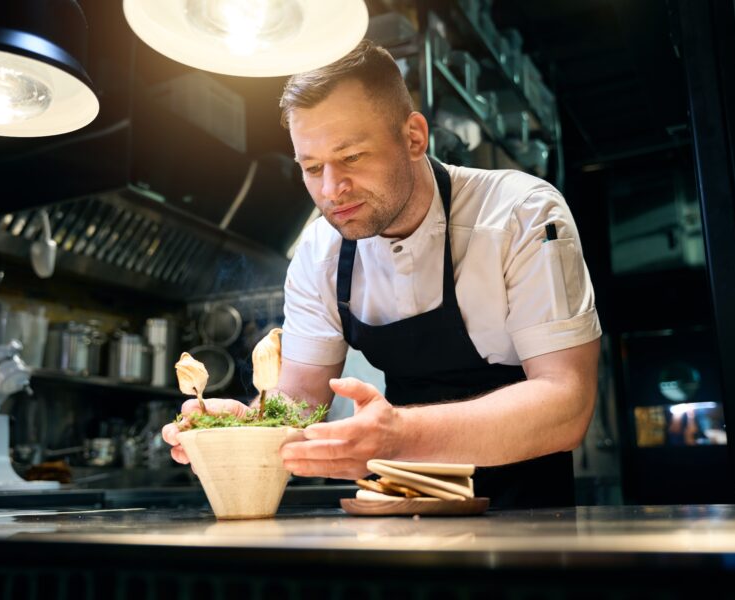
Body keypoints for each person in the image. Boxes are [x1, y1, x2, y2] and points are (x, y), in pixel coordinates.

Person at [163, 40, 602, 509]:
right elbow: (298, 403)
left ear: (413, 137)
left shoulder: (520, 213)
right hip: (403, 515)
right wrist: (239, 429)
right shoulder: (319, 253)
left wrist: (399, 436)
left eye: (352, 157)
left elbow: (567, 404)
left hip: (532, 519)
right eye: (312, 167)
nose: (332, 190)